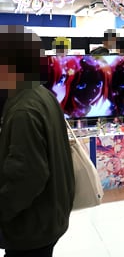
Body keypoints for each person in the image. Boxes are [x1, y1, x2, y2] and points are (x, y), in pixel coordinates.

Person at [0, 25, 75, 256]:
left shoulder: (23, 109)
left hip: (31, 225)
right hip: (48, 215)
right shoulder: (41, 95)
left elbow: (27, 176)